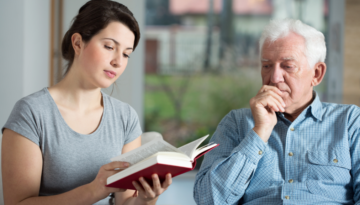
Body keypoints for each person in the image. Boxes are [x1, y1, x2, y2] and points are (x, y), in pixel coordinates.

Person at [1, 1, 172, 204]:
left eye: (126, 54)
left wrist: (145, 198)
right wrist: (94, 191)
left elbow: (126, 201)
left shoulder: (125, 117)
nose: (118, 61)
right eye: (109, 46)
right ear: (78, 43)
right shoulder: (31, 113)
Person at [194, 19, 360, 204]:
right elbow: (207, 200)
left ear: (316, 74)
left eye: (287, 66)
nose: (274, 77)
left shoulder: (350, 122)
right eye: (267, 66)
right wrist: (259, 133)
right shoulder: (236, 123)